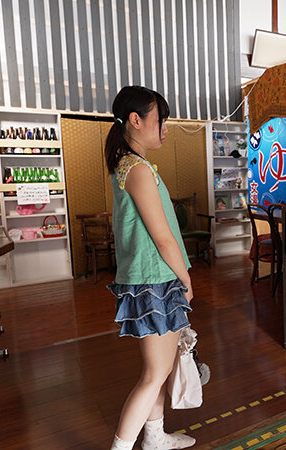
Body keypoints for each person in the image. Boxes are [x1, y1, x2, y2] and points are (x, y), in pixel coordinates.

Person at [105, 86, 195, 450]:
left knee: (159, 370)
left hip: (152, 279)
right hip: (155, 280)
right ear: (136, 120)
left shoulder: (130, 165)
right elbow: (163, 239)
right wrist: (186, 278)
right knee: (155, 374)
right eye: (161, 121)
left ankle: (155, 436)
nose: (165, 129)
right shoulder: (138, 169)